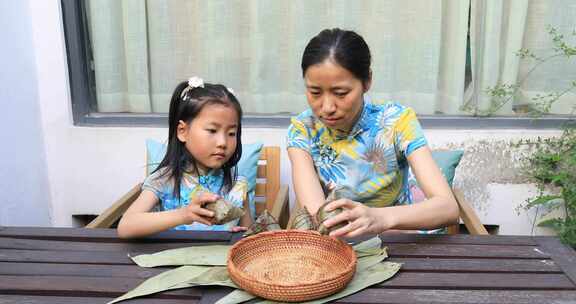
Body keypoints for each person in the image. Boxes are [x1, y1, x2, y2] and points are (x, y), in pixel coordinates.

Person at [287, 28, 459, 238]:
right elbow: (318, 214)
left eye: (341, 93)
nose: (327, 107)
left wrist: (381, 218)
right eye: (315, 92)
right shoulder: (303, 129)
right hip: (335, 245)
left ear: (367, 81)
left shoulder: (396, 122)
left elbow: (448, 208)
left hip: (396, 239)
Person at [118, 77, 252, 238]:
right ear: (183, 131)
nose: (223, 142)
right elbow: (126, 227)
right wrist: (185, 215)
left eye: (231, 133)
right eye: (212, 130)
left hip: (223, 261)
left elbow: (249, 233)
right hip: (172, 261)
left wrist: (240, 233)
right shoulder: (166, 179)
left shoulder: (237, 182)